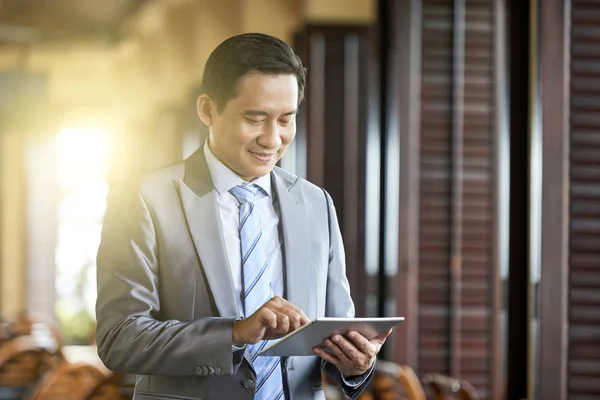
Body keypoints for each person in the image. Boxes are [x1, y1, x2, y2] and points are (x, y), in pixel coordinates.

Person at [95, 32, 390, 400]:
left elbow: (332, 335)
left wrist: (355, 365)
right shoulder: (144, 199)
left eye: (286, 120)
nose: (272, 139)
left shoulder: (316, 204)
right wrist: (233, 332)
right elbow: (118, 338)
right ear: (207, 110)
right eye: (255, 118)